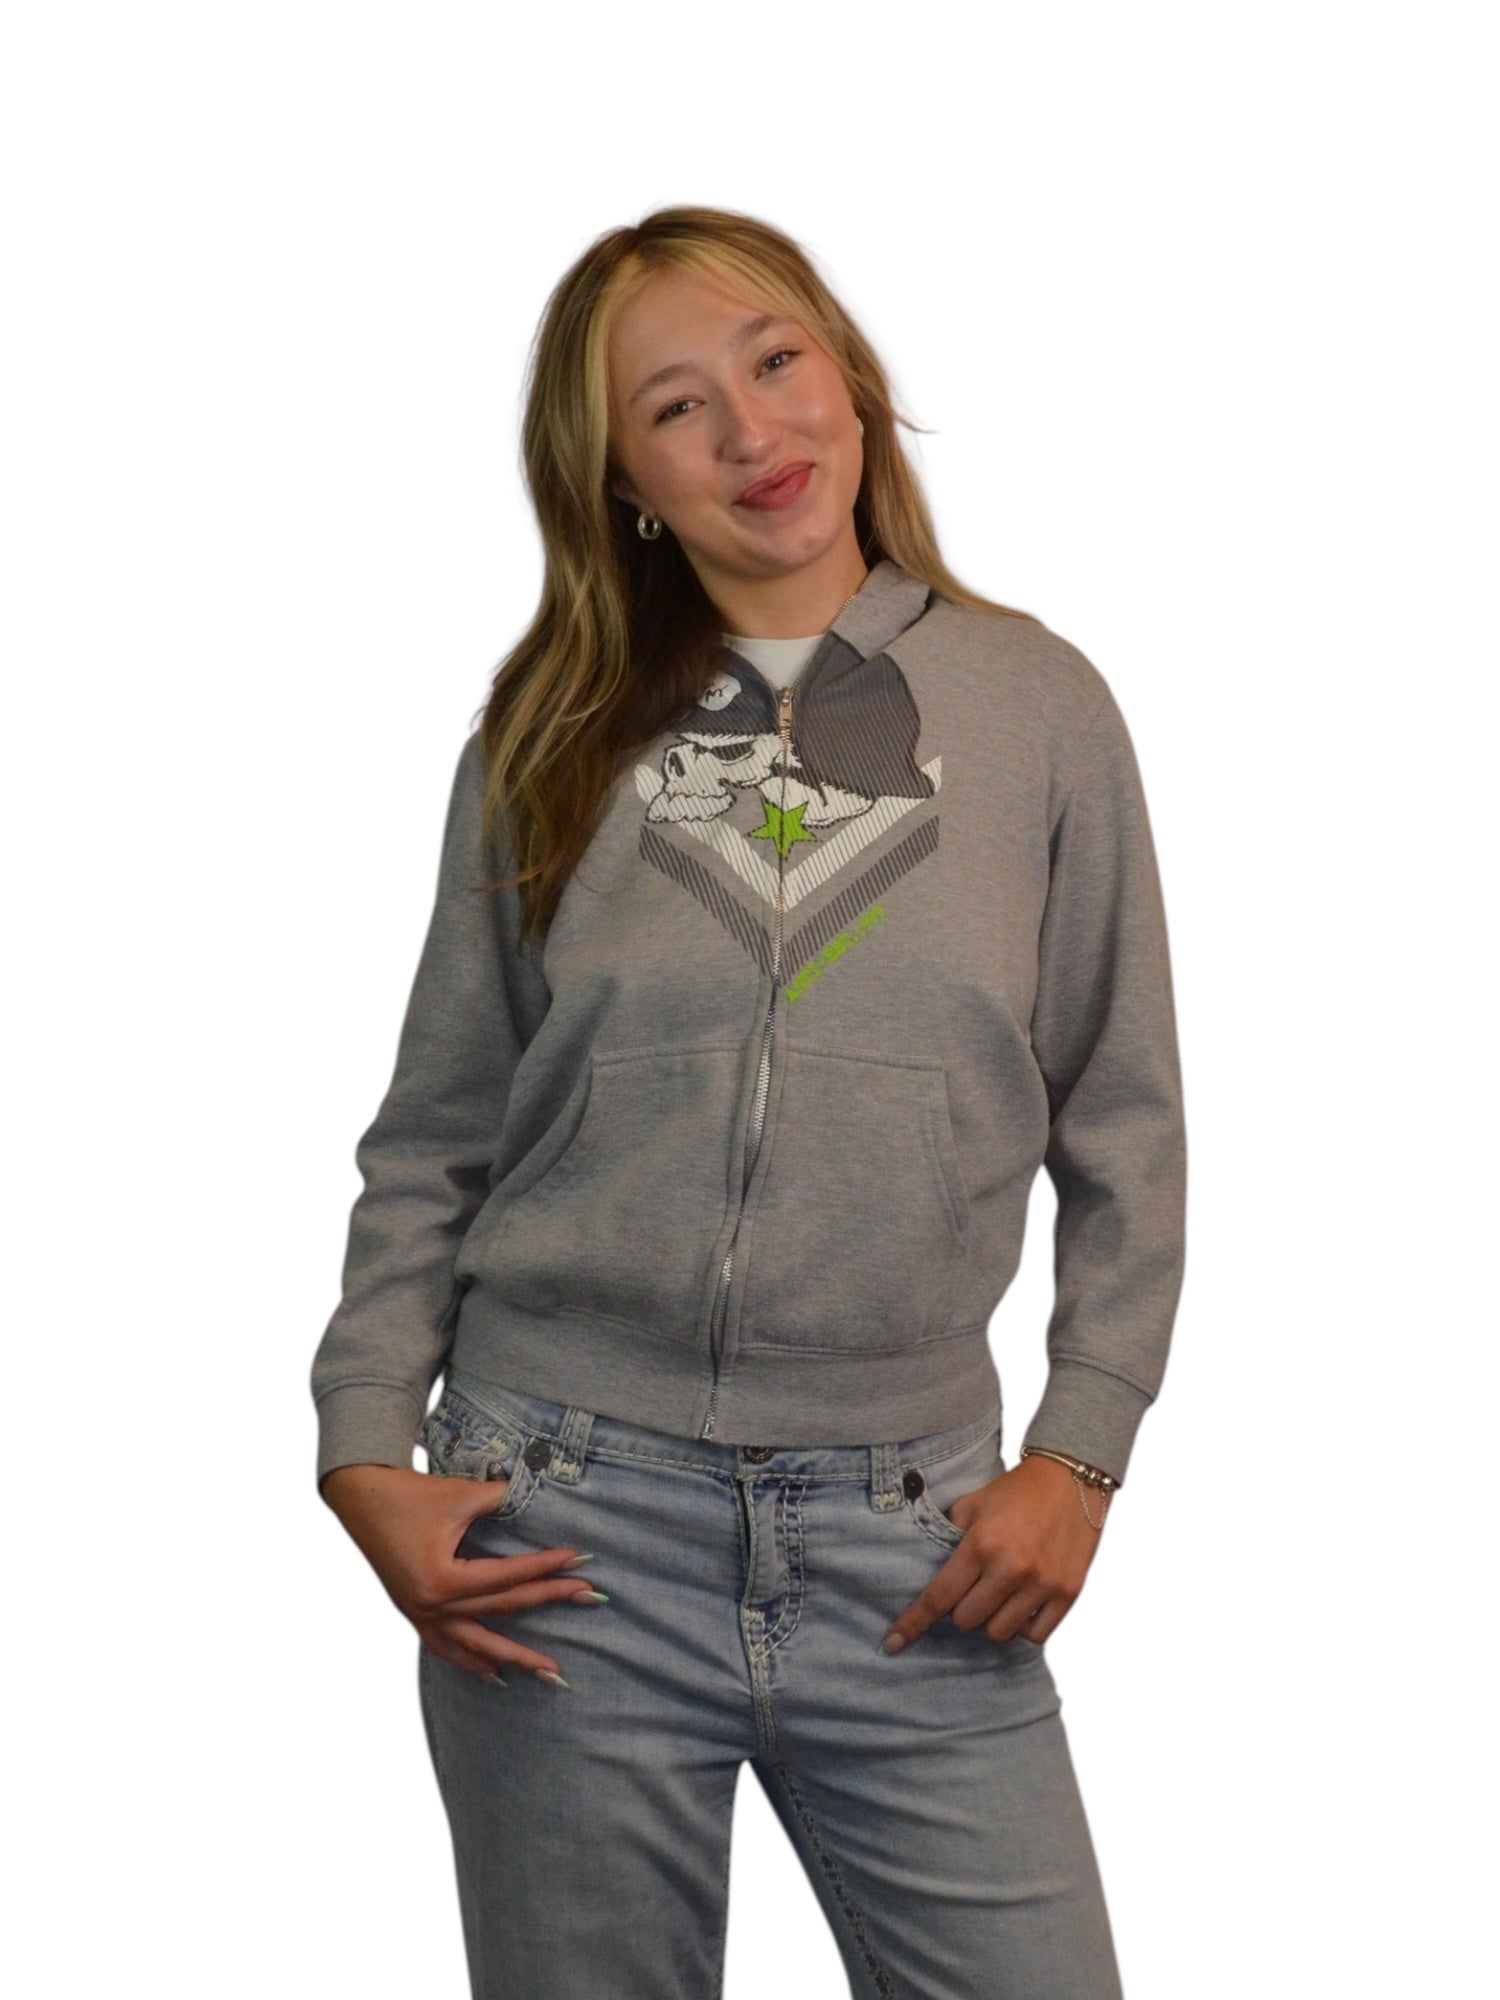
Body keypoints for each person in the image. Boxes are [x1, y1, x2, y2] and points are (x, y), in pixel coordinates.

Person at [311, 203, 1187, 1999]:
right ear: (623, 482)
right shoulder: (547, 731)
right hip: (561, 1524)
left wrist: (1082, 1451)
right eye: (675, 407)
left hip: (916, 1537)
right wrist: (362, 1442)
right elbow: (441, 1130)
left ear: (851, 379)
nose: (749, 431)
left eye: (776, 361)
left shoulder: (1039, 707)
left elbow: (1127, 1120)